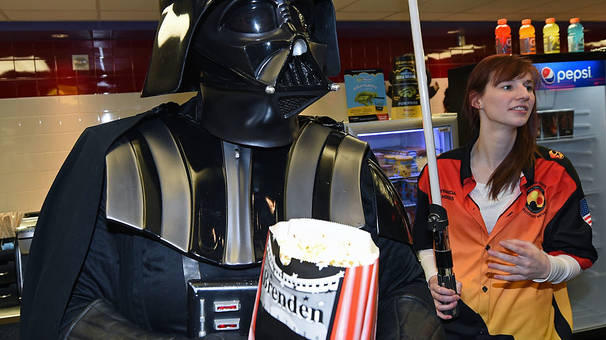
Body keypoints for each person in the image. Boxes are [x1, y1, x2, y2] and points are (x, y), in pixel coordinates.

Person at [20, 1, 443, 339]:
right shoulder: (121, 162)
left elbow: (405, 294)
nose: (295, 41)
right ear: (194, 38)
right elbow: (70, 310)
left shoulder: (349, 165)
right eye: (258, 14)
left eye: (298, 15)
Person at [413, 55, 597, 340]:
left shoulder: (554, 172)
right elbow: (425, 245)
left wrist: (547, 267)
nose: (524, 94)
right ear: (477, 100)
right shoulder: (438, 174)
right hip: (459, 328)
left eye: (528, 86)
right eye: (508, 87)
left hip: (531, 329)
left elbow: (580, 254)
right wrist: (432, 278)